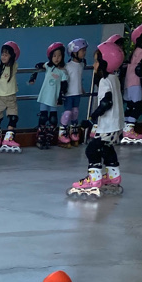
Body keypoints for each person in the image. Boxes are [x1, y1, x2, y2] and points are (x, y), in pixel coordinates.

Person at [67, 41, 124, 199]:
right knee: (107, 149)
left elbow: (106, 103)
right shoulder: (114, 78)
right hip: (117, 125)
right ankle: (113, 176)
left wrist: (92, 119)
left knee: (91, 150)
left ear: (105, 62)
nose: (94, 65)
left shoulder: (105, 81)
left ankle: (94, 179)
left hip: (108, 125)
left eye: (96, 61)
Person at [28, 43, 68, 148]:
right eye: (54, 56)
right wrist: (33, 77)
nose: (57, 58)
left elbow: (64, 86)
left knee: (53, 119)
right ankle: (40, 137)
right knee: (43, 117)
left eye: (59, 56)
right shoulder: (48, 66)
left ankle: (49, 137)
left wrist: (61, 97)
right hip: (45, 96)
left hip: (54, 98)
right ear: (50, 57)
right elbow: (38, 65)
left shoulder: (63, 71)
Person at [121, 22, 142, 145]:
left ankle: (125, 128)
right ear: (139, 39)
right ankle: (129, 130)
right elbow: (139, 69)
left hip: (128, 83)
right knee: (138, 106)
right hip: (135, 82)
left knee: (130, 106)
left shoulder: (135, 51)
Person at [60, 38, 87, 146]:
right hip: (69, 94)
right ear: (74, 52)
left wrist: (81, 88)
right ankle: (62, 131)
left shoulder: (81, 65)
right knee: (67, 113)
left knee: (75, 112)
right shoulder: (67, 66)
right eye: (82, 50)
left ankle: (73, 130)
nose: (84, 53)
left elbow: (78, 78)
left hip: (77, 93)